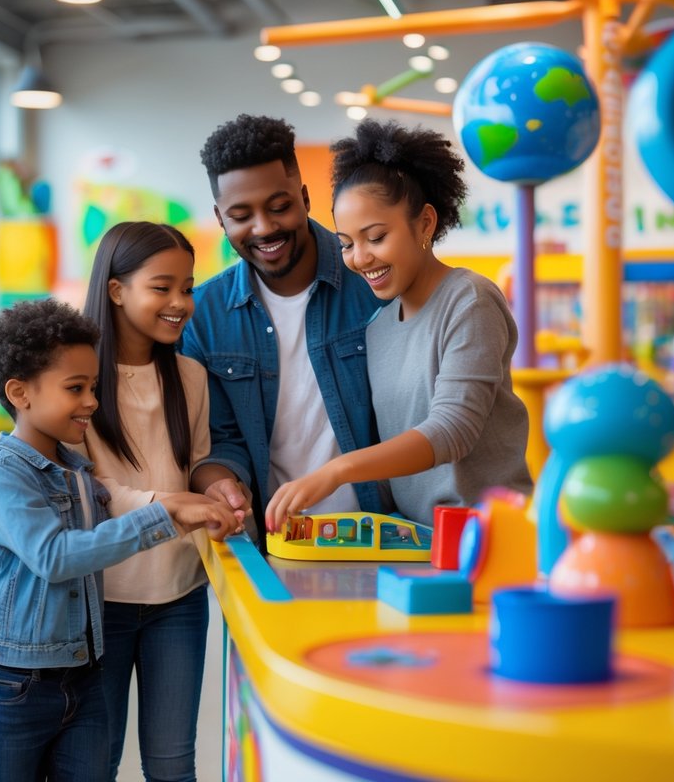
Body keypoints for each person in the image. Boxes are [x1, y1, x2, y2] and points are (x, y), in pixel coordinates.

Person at [0, 298, 240, 782]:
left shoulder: (78, 472)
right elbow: (55, 556)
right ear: (19, 392)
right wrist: (163, 513)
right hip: (13, 681)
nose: (92, 400)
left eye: (93, 387)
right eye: (76, 388)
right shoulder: (4, 473)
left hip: (84, 672)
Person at [264, 119, 532, 533]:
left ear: (425, 223)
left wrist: (339, 470)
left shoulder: (469, 300)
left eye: (375, 237)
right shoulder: (377, 327)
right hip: (415, 538)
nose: (360, 258)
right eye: (347, 243)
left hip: (486, 535)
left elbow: (452, 430)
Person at [182, 113, 388, 544]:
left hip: (385, 533)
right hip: (273, 546)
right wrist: (221, 484)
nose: (264, 228)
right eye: (241, 215)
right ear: (220, 219)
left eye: (279, 207)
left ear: (305, 197)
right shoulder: (203, 315)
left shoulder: (372, 282)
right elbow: (219, 440)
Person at [79, 221, 221, 782]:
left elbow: (200, 460)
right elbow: (82, 490)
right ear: (116, 289)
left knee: (172, 764)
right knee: (96, 763)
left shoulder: (191, 375)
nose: (180, 302)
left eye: (187, 287)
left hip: (180, 597)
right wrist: (172, 503)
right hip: (100, 599)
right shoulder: (77, 380)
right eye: (161, 287)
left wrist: (217, 489)